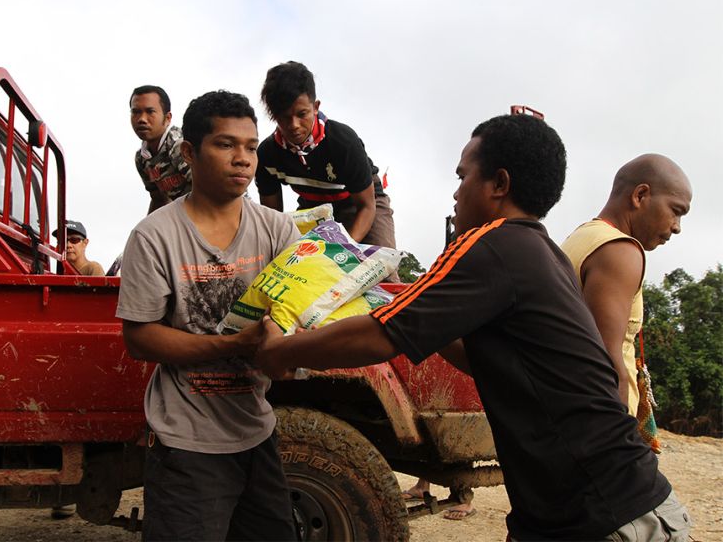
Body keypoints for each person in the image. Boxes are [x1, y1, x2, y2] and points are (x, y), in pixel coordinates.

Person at [255, 114, 692, 541]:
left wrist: (283, 350)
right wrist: (420, 320)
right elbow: (491, 357)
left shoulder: (494, 245)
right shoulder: (535, 249)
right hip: (578, 509)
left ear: (499, 185)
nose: (456, 193)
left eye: (463, 177)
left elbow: (378, 337)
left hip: (609, 515)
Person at [116, 90, 299, 541]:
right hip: (185, 446)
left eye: (251, 147)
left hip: (257, 432)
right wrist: (231, 345)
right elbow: (140, 338)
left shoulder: (278, 230)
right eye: (225, 144)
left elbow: (301, 316)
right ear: (189, 152)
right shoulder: (153, 237)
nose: (243, 159)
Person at [561, 155, 691, 418]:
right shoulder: (619, 250)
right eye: (675, 211)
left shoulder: (583, 236)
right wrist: (620, 447)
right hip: (600, 431)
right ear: (640, 195)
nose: (677, 227)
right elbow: (606, 362)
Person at [255, 61, 396, 248]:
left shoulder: (343, 142)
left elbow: (367, 207)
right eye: (284, 117)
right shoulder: (266, 155)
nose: (294, 125)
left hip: (360, 204)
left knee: (379, 267)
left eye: (302, 114)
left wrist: (345, 251)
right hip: (313, 208)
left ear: (315, 107)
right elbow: (272, 220)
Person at [130, 85, 191, 214]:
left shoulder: (179, 145)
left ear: (167, 118)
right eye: (136, 112)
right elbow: (158, 199)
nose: (142, 119)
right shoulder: (142, 158)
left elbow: (210, 189)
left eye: (150, 111)